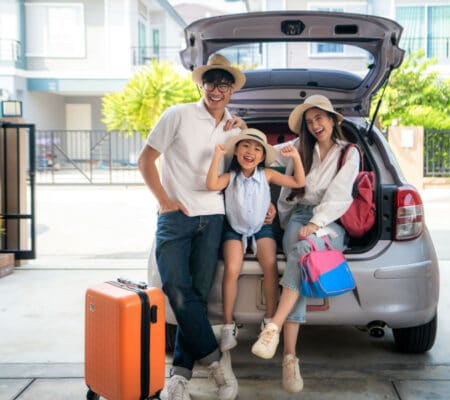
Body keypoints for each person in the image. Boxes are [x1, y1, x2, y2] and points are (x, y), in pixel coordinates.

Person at [138, 54, 254, 400]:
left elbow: (252, 170)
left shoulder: (235, 127)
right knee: (175, 288)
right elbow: (145, 160)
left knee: (198, 298)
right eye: (210, 82)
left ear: (231, 89)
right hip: (175, 216)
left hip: (214, 217)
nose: (216, 90)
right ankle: (217, 362)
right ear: (201, 84)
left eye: (223, 83)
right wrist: (163, 200)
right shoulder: (177, 115)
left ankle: (180, 376)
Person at [249, 94, 360, 393]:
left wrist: (315, 223)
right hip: (298, 217)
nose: (314, 126)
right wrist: (239, 138)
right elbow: (268, 159)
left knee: (302, 250)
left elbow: (339, 196)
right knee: (300, 253)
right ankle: (288, 359)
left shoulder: (349, 152)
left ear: (332, 119)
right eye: (309, 122)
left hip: (331, 221)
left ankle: (275, 331)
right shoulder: (299, 149)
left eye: (319, 118)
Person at [205, 128, 305, 353]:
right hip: (235, 230)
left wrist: (296, 158)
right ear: (237, 151)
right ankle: (228, 324)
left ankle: (269, 319)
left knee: (269, 265)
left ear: (262, 156)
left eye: (257, 148)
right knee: (232, 268)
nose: (251, 152)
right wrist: (217, 157)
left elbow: (298, 181)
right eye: (245, 146)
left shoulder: (267, 174)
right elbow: (211, 184)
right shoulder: (231, 177)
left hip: (262, 229)